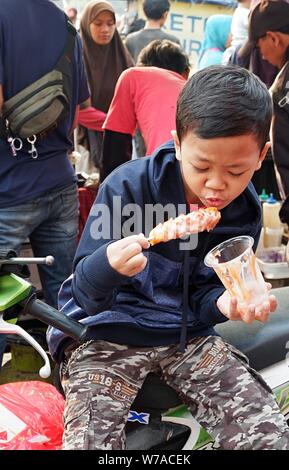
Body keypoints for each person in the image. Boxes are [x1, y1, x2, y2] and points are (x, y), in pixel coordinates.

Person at [48, 65, 289, 450]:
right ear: (177, 144)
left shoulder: (243, 212)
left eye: (236, 170)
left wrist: (224, 303)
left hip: (187, 337)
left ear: (261, 156)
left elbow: (204, 296)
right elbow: (82, 293)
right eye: (202, 166)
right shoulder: (128, 188)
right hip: (110, 329)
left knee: (268, 436)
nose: (216, 185)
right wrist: (107, 266)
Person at [0, 0, 89, 369]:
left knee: (3, 305)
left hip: (8, 191)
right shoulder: (64, 24)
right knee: (66, 308)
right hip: (60, 183)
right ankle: (77, 397)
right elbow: (78, 110)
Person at [101, 39, 190, 180]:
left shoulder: (133, 76)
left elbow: (116, 145)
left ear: (142, 67)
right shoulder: (194, 89)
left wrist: (106, 191)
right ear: (186, 73)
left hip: (165, 175)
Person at [77, 0, 134, 171]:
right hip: (88, 139)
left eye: (110, 24)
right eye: (98, 23)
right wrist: (114, 123)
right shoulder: (77, 56)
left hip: (121, 140)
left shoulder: (122, 55)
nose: (105, 30)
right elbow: (78, 109)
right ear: (87, 24)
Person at [247, 0, 289, 204]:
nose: (261, 55)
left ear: (273, 38)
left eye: (258, 46)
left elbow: (285, 158)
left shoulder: (282, 91)